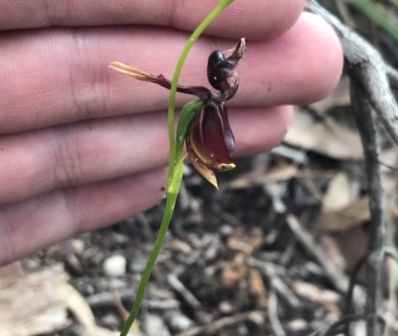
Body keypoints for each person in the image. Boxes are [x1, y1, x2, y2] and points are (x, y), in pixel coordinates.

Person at [0, 0, 343, 265]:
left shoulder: (215, 99)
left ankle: (203, 163)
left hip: (211, 139)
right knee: (216, 137)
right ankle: (202, 162)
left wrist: (155, 79)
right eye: (228, 71)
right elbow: (170, 83)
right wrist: (146, 77)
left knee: (221, 139)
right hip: (208, 138)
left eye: (232, 70)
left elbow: (176, 85)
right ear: (218, 76)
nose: (232, 77)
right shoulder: (211, 99)